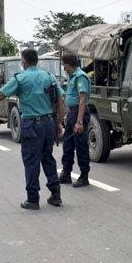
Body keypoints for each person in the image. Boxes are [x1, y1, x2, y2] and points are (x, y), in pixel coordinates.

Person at [0, 49, 65, 210]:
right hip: (48, 123)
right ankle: (56, 195)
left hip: (32, 125)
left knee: (31, 162)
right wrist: (58, 122)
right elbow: (60, 99)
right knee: (48, 158)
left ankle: (33, 199)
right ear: (37, 61)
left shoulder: (21, 78)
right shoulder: (49, 77)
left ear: (23, 62)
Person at [59, 54, 91, 187]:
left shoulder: (80, 77)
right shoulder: (72, 77)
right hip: (73, 113)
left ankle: (84, 177)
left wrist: (79, 122)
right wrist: (68, 114)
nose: (63, 68)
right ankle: (66, 173)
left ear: (68, 64)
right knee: (67, 145)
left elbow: (82, 99)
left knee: (81, 146)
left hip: (79, 114)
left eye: (64, 65)